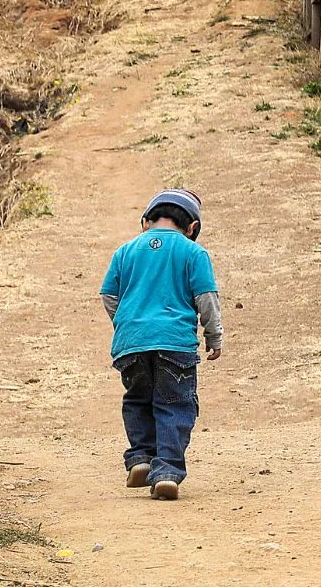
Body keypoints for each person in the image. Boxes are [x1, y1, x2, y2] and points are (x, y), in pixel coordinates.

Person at [99, 189, 223, 501]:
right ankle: (166, 470)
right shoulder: (194, 253)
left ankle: (140, 458)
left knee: (138, 399)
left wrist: (127, 321)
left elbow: (108, 295)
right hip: (174, 343)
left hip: (131, 343)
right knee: (174, 403)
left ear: (145, 222)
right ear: (192, 227)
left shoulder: (124, 252)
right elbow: (205, 299)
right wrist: (214, 336)